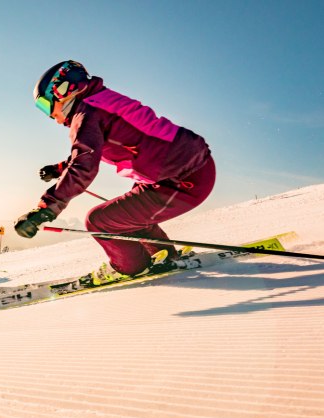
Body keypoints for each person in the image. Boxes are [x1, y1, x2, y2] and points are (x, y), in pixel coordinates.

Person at [15, 60, 215, 284]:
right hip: (187, 169)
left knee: (99, 221)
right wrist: (59, 169)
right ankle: (164, 254)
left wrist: (46, 209)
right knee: (126, 215)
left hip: (182, 181)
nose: (51, 115)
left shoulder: (87, 114)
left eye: (45, 105)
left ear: (61, 91)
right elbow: (92, 150)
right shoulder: (99, 101)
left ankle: (130, 267)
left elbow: (84, 165)